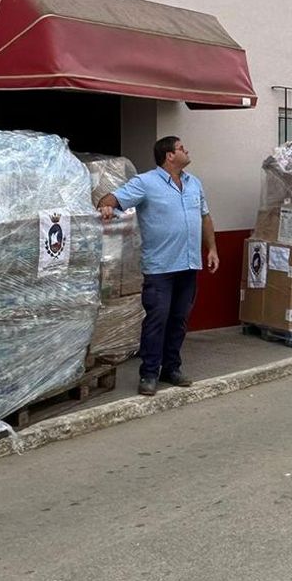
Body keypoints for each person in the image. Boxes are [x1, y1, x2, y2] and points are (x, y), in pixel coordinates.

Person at [97, 136, 220, 396]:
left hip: (188, 265)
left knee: (179, 320)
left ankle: (171, 369)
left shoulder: (193, 183)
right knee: (157, 320)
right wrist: (106, 206)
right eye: (181, 148)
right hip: (160, 269)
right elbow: (113, 198)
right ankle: (149, 373)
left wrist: (212, 249)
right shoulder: (146, 183)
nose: (186, 150)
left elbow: (205, 217)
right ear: (169, 155)